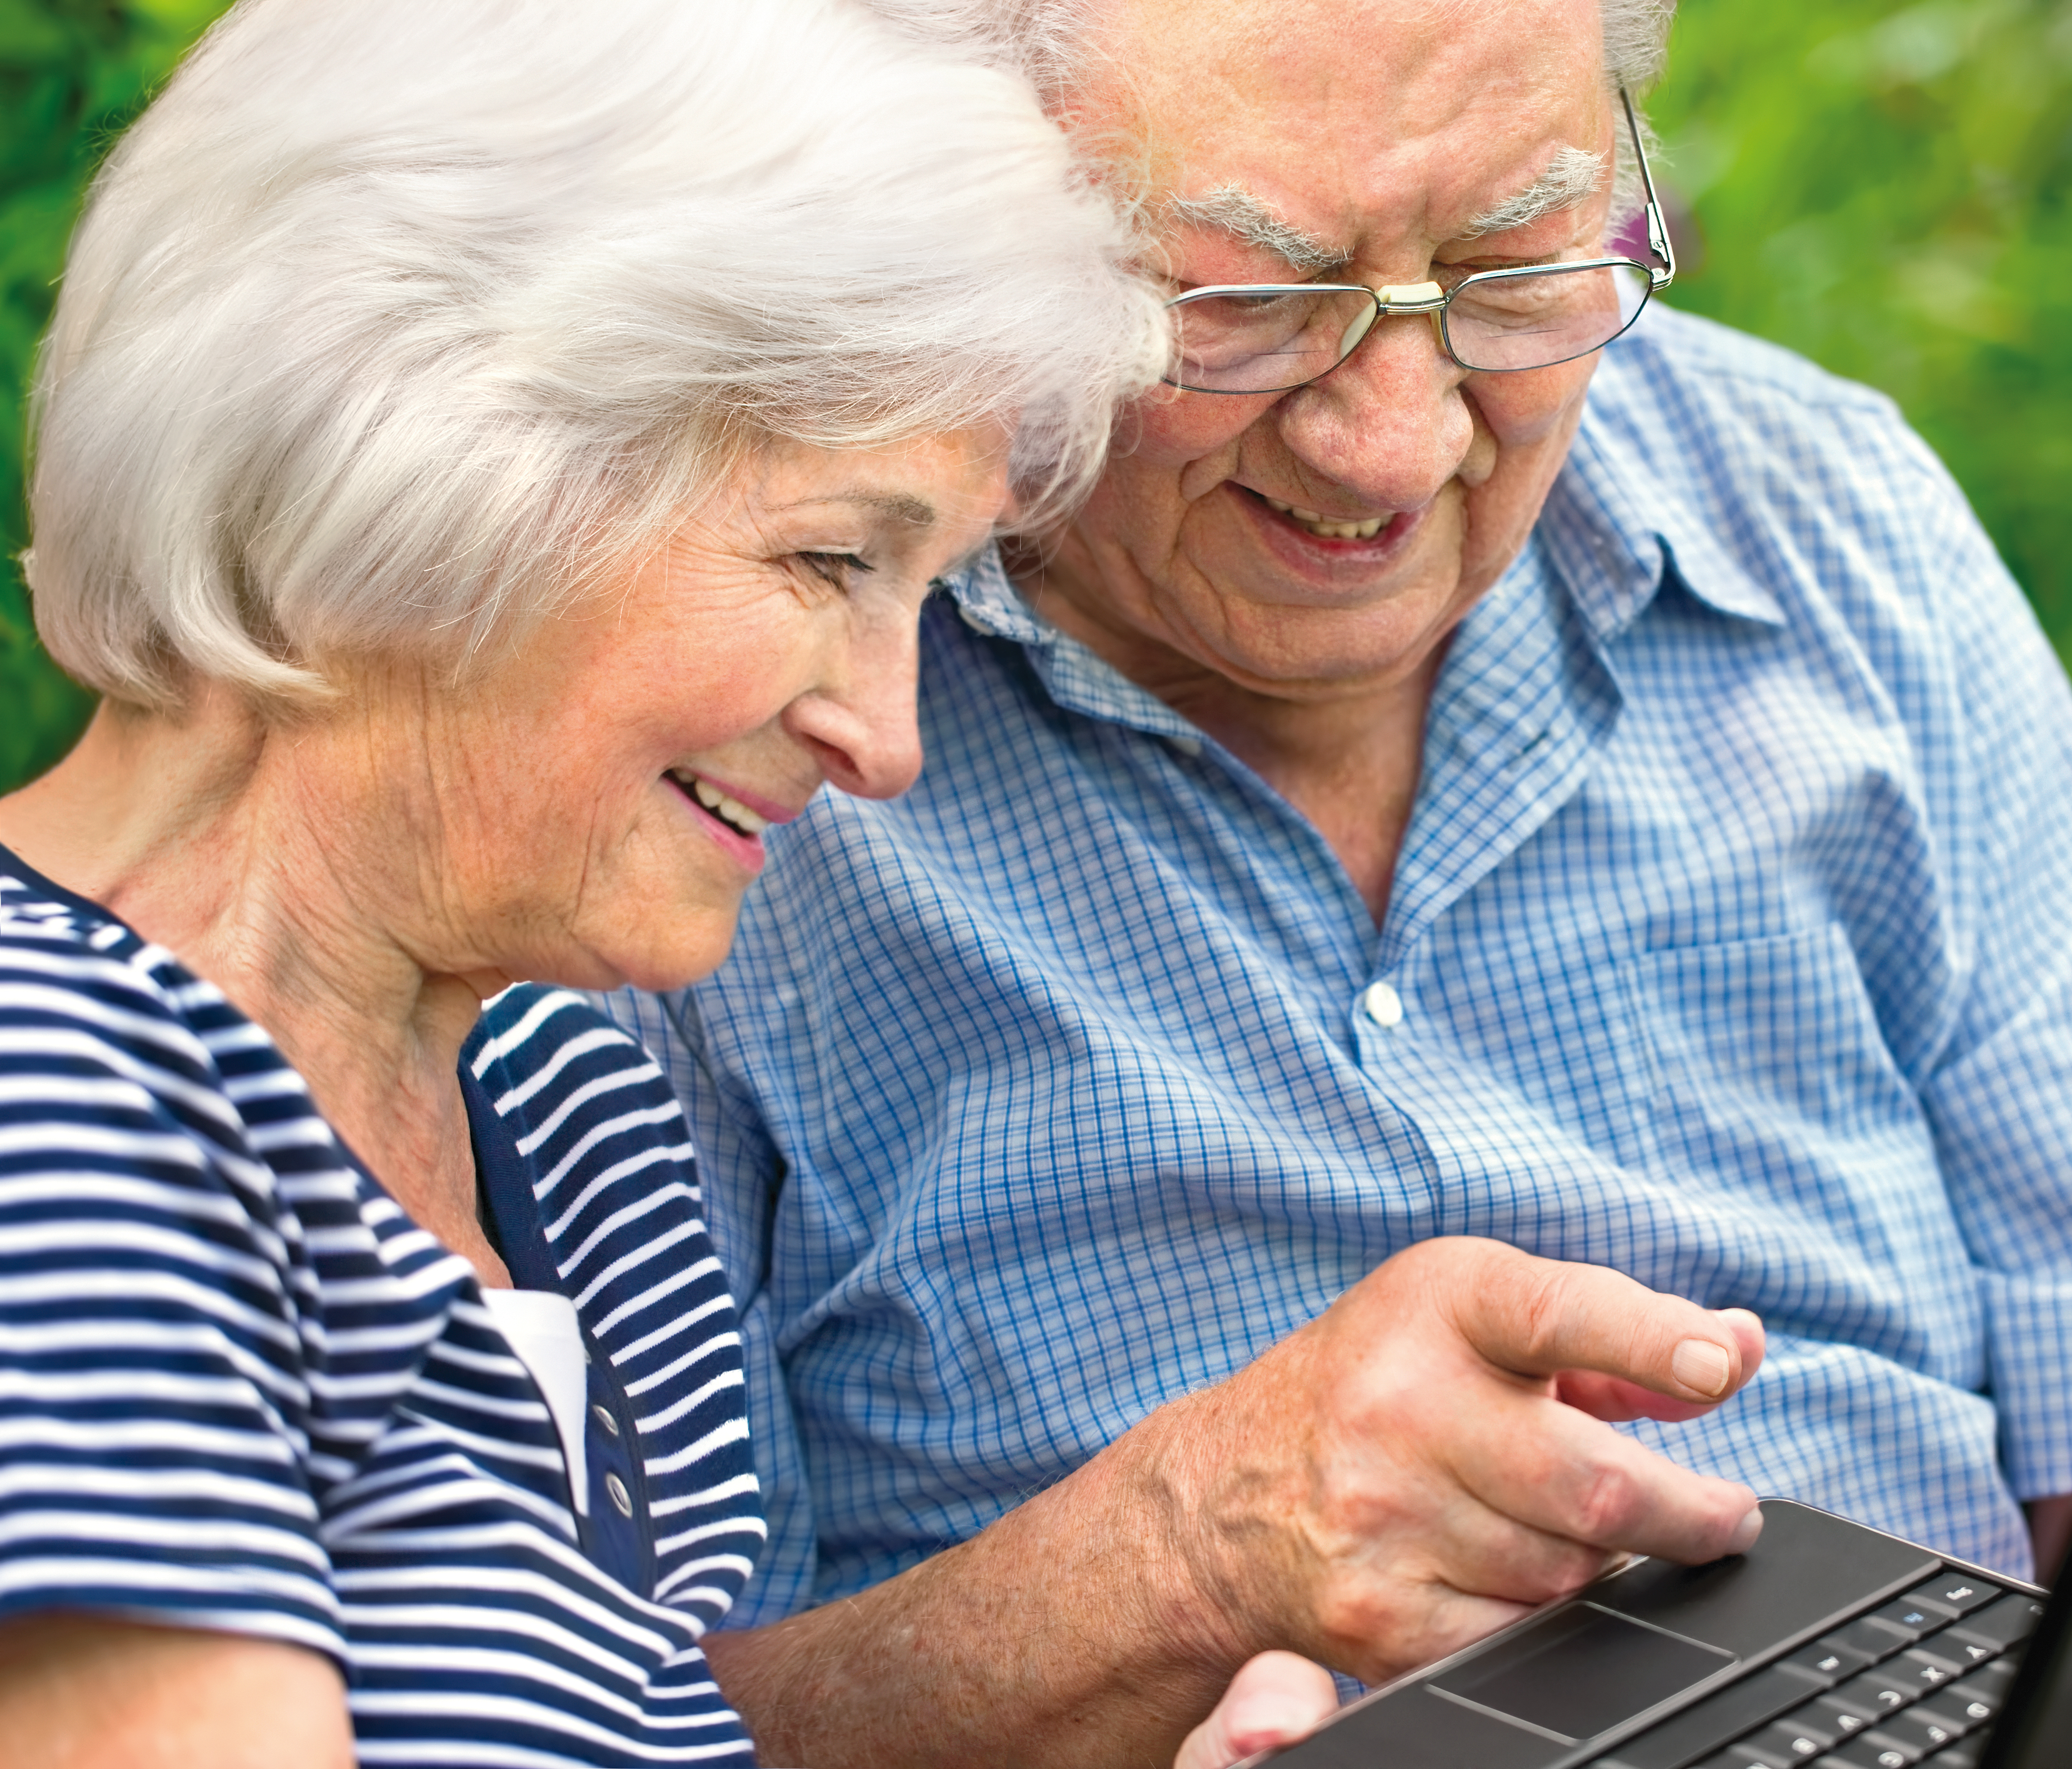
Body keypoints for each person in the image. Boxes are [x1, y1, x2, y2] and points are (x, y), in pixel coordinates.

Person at [613, 0, 2072, 1766]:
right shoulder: (716, 725)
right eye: (1246, 304)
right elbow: (600, 1727)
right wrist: (1168, 1568)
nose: (1397, 437)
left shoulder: (1838, 536)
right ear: (964, 232)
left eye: (1514, 268)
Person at [0, 0, 1378, 1760]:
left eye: (928, 590)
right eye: (829, 558)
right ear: (411, 455)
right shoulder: (58, 1092)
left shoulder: (566, 1113)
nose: (888, 739)